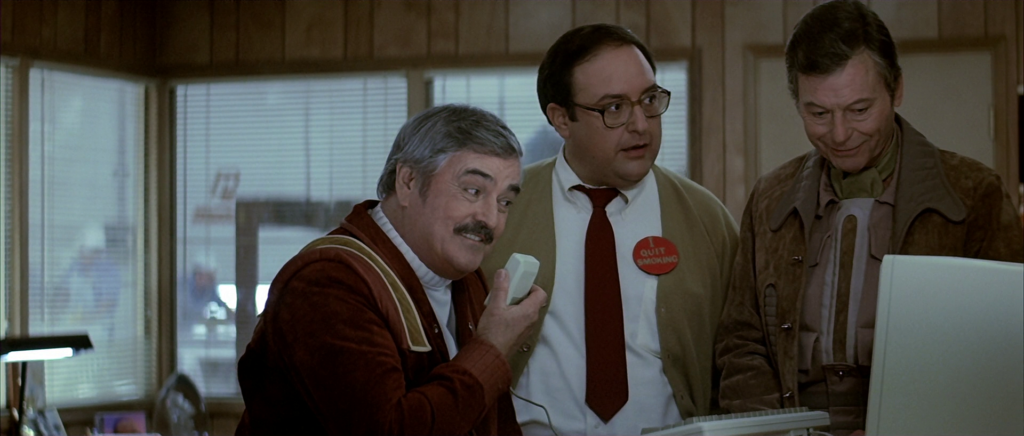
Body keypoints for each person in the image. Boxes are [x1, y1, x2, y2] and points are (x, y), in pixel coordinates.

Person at [715, 1, 1024, 434]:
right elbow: (741, 341)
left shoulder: (974, 193)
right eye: (818, 114)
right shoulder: (771, 198)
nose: (840, 134)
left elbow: (1003, 352)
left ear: (896, 90)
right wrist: (775, 431)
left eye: (859, 110)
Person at [481, 24, 739, 435]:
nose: (641, 125)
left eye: (649, 100)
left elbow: (737, 356)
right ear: (561, 119)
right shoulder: (500, 210)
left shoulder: (706, 219)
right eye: (614, 108)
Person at [235, 104, 547, 435]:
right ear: (408, 182)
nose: (491, 219)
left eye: (505, 202)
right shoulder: (327, 282)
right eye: (473, 191)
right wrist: (492, 349)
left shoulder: (466, 277)